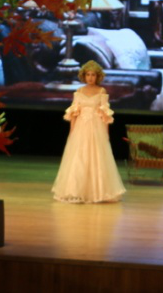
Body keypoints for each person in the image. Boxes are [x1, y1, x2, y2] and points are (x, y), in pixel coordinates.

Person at [52, 60, 127, 203]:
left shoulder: (101, 91)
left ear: (97, 76)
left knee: (96, 158)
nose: (90, 77)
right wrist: (72, 131)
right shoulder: (79, 91)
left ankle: (97, 192)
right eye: (88, 74)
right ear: (83, 76)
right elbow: (74, 113)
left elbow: (105, 114)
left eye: (93, 75)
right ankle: (76, 191)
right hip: (80, 128)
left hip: (96, 128)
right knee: (79, 158)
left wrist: (105, 134)